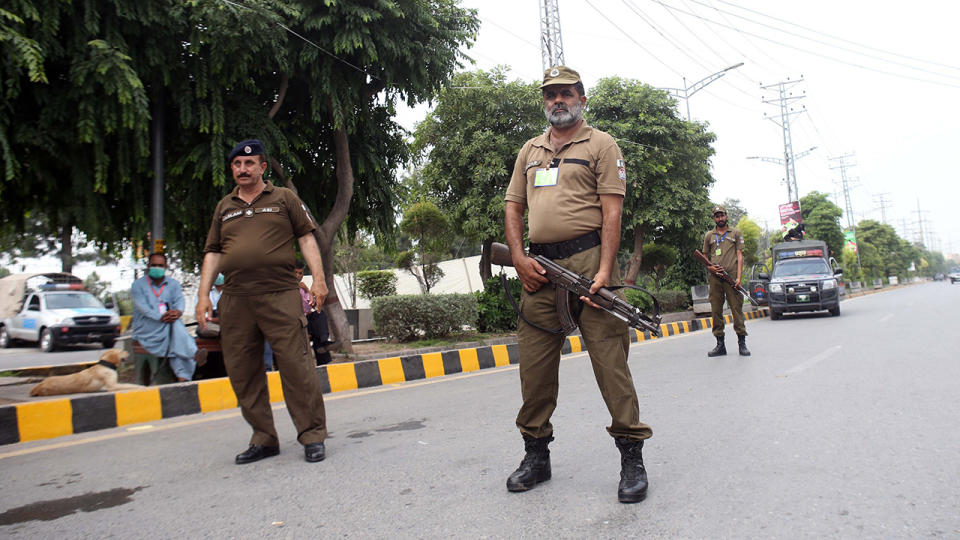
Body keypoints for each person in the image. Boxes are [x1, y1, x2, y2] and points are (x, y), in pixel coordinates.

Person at [502, 66, 651, 504]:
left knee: (611, 364)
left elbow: (612, 213)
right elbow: (513, 207)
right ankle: (536, 455)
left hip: (589, 266)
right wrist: (518, 258)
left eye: (566, 93)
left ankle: (631, 457)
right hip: (539, 269)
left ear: (582, 99)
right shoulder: (529, 151)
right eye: (550, 95)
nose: (557, 101)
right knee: (535, 370)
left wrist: (605, 272)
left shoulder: (601, 144)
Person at [195, 138, 329, 465]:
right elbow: (213, 252)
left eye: (249, 164)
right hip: (236, 299)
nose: (243, 169)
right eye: (238, 165)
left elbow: (306, 237)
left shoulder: (283, 199)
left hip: (280, 293)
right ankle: (264, 438)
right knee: (243, 371)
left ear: (262, 167)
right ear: (232, 169)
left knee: (297, 366)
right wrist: (202, 295)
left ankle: (312, 435)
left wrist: (319, 279)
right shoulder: (224, 207)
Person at [131, 253, 207, 382]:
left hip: (169, 326)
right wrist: (161, 317)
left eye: (160, 265)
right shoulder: (138, 285)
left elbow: (179, 301)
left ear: (166, 266)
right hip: (148, 327)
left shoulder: (173, 284)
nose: (157, 267)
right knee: (178, 333)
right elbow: (143, 308)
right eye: (154, 265)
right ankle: (193, 355)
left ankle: (183, 377)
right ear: (148, 266)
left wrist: (177, 312)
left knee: (176, 334)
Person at [703, 205, 751, 357]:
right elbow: (704, 256)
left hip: (731, 278)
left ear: (727, 216)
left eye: (722, 215)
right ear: (714, 218)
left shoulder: (735, 233)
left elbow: (740, 256)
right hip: (715, 279)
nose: (720, 218)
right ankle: (720, 344)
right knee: (716, 310)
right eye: (717, 216)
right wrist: (709, 268)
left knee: (736, 309)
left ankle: (742, 343)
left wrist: (738, 278)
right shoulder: (709, 235)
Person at [297, 263, 332, 365]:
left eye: (300, 273)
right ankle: (323, 343)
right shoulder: (287, 288)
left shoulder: (302, 288)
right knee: (315, 332)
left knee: (319, 314)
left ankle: (324, 341)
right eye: (295, 273)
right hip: (295, 319)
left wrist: (307, 290)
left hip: (306, 319)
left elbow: (312, 304)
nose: (298, 275)